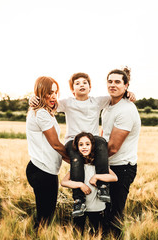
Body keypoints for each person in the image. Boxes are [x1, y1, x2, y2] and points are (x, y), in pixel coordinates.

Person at [29, 72, 135, 218]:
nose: (81, 85)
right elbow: (48, 102)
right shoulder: (66, 102)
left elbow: (116, 95)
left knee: (102, 142)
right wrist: (34, 98)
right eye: (77, 83)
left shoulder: (98, 101)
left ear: (90, 87)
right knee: (76, 161)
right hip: (73, 141)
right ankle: (79, 199)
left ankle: (103, 185)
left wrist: (128, 93)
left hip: (92, 140)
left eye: (84, 83)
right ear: (72, 89)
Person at [101, 67, 141, 238]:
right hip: (109, 165)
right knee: (104, 210)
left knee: (115, 213)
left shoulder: (126, 110)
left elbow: (113, 147)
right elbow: (105, 133)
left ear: (126, 86)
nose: (112, 85)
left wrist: (88, 160)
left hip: (122, 168)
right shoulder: (108, 105)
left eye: (117, 82)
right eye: (110, 81)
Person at [25, 76, 69, 229]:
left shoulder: (43, 111)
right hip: (43, 171)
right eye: (49, 93)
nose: (53, 97)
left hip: (42, 169)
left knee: (45, 215)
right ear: (40, 92)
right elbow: (56, 144)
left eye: (56, 93)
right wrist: (76, 160)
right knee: (45, 218)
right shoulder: (42, 114)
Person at [61, 132, 118, 235]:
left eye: (87, 144)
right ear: (77, 147)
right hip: (81, 209)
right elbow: (64, 182)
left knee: (98, 234)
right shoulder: (77, 167)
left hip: (98, 208)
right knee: (77, 234)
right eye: (81, 144)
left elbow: (114, 178)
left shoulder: (100, 165)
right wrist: (80, 185)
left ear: (92, 146)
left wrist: (97, 176)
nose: (84, 147)